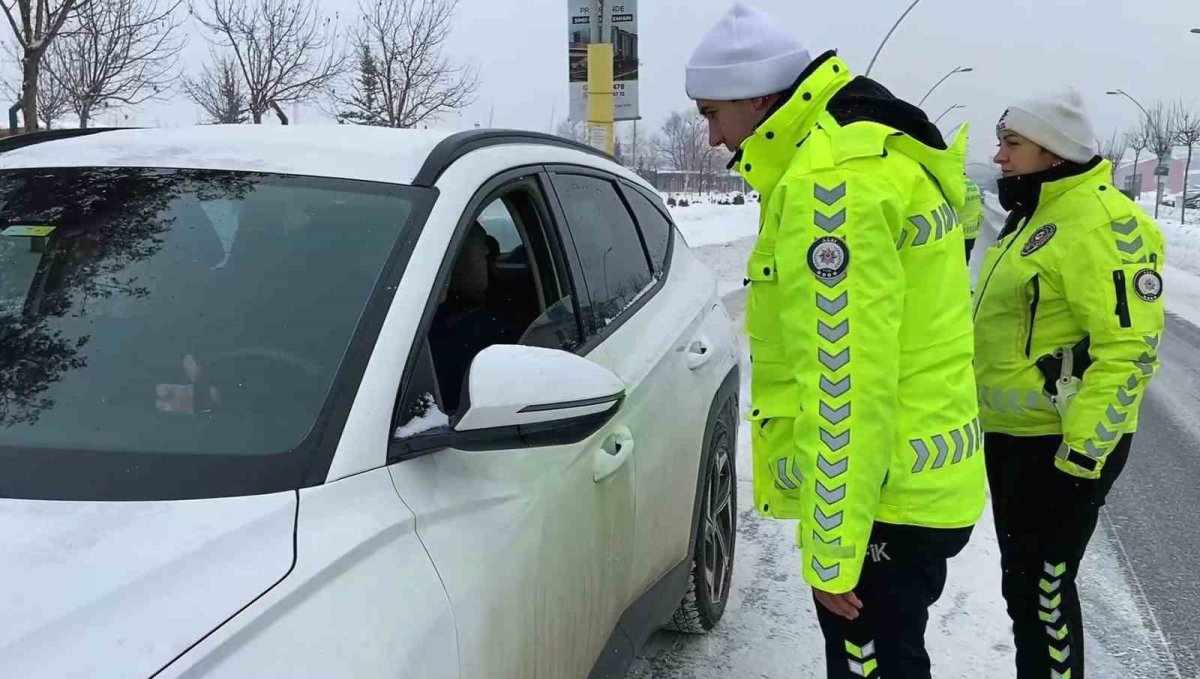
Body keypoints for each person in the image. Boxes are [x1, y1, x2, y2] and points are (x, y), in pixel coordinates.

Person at [685, 4, 985, 677]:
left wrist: (833, 555)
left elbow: (847, 385)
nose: (711, 136)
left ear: (759, 97)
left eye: (711, 113)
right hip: (911, 485)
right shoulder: (859, 148)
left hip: (887, 500)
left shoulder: (833, 183)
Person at [975, 89, 1165, 679]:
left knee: (1045, 592)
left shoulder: (1102, 224)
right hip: (1013, 435)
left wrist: (1080, 457)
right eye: (1001, 142)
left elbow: (1128, 352)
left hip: (1058, 447)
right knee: (1024, 590)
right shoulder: (1036, 214)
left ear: (1053, 153)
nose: (999, 157)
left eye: (1013, 145)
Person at [961, 175, 985, 262]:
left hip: (960, 233)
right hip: (972, 232)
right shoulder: (975, 186)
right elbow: (981, 211)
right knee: (966, 260)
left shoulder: (957, 188)